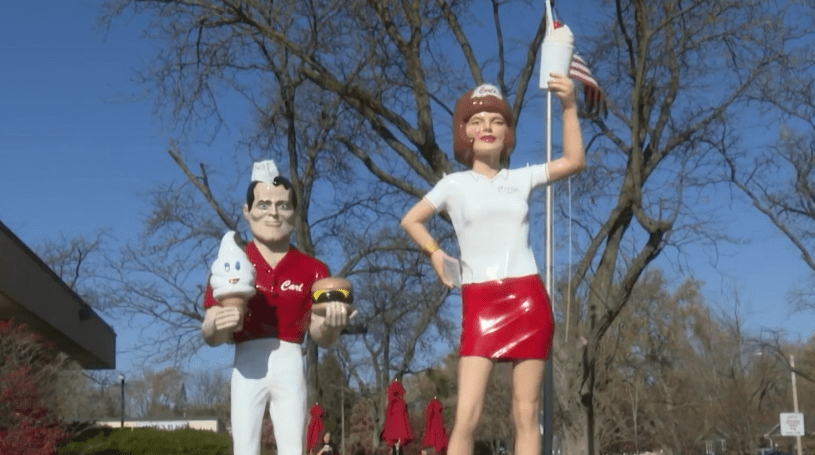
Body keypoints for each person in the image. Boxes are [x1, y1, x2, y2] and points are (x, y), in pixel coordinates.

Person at [400, 74, 585, 455]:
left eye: (497, 120)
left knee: (526, 412)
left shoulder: (521, 179)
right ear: (464, 132)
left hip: (528, 299)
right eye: (477, 120)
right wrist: (436, 252)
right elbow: (411, 220)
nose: (487, 127)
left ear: (507, 133)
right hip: (480, 302)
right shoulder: (453, 185)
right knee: (467, 413)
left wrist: (569, 106)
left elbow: (574, 161)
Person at [201, 160, 351, 455]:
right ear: (247, 212)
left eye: (283, 205)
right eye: (264, 204)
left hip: (291, 360)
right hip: (247, 362)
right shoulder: (231, 265)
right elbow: (210, 331)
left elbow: (320, 336)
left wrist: (332, 326)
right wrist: (216, 325)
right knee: (244, 445)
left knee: (293, 445)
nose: (273, 213)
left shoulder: (314, 270)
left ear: (294, 214)